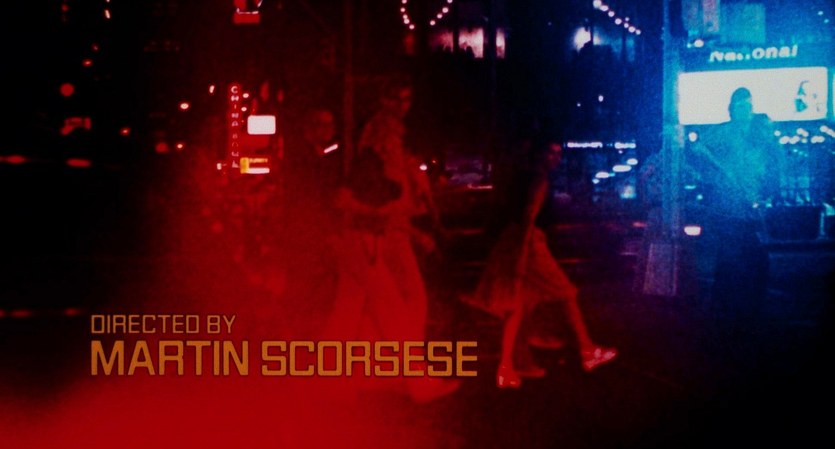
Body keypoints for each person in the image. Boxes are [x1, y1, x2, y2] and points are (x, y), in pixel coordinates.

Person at [323, 76, 460, 403]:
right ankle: (416, 382)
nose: (401, 107)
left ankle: (347, 379)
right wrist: (400, 217)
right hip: (367, 238)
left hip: (363, 237)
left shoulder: (375, 144)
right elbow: (368, 198)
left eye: (406, 99)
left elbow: (367, 197)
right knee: (395, 310)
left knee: (351, 312)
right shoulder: (377, 143)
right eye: (394, 99)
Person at [464, 136, 617, 389]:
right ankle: (587, 351)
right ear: (538, 154)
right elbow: (528, 218)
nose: (556, 158)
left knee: (517, 307)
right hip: (529, 242)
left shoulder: (520, 177)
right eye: (550, 152)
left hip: (512, 239)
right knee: (566, 293)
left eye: (558, 153)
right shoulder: (539, 179)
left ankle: (509, 366)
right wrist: (522, 255)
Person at [689, 87, 784, 335]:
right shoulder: (723, 132)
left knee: (750, 262)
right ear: (732, 109)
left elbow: (764, 169)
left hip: (749, 209)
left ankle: (742, 313)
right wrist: (718, 172)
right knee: (732, 262)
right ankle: (724, 317)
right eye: (742, 106)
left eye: (749, 106)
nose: (747, 111)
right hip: (727, 211)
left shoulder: (755, 133)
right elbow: (697, 148)